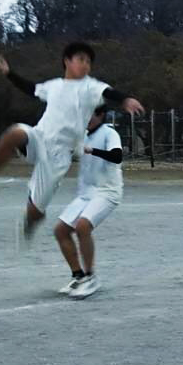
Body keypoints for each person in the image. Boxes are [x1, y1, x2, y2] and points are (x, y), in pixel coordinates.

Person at [0, 42, 145, 271]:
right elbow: (31, 89)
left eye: (89, 61)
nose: (85, 64)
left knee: (35, 212)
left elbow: (109, 93)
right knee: (15, 132)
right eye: (80, 59)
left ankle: (31, 221)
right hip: (39, 137)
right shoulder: (54, 86)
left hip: (58, 156)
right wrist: (9, 73)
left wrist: (126, 99)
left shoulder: (91, 87)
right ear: (67, 61)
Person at [50, 104, 124, 298]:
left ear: (100, 115)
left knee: (82, 226)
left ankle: (91, 277)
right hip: (86, 193)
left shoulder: (110, 133)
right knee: (60, 230)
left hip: (107, 191)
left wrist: (92, 150)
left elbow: (117, 156)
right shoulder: (82, 135)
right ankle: (79, 276)